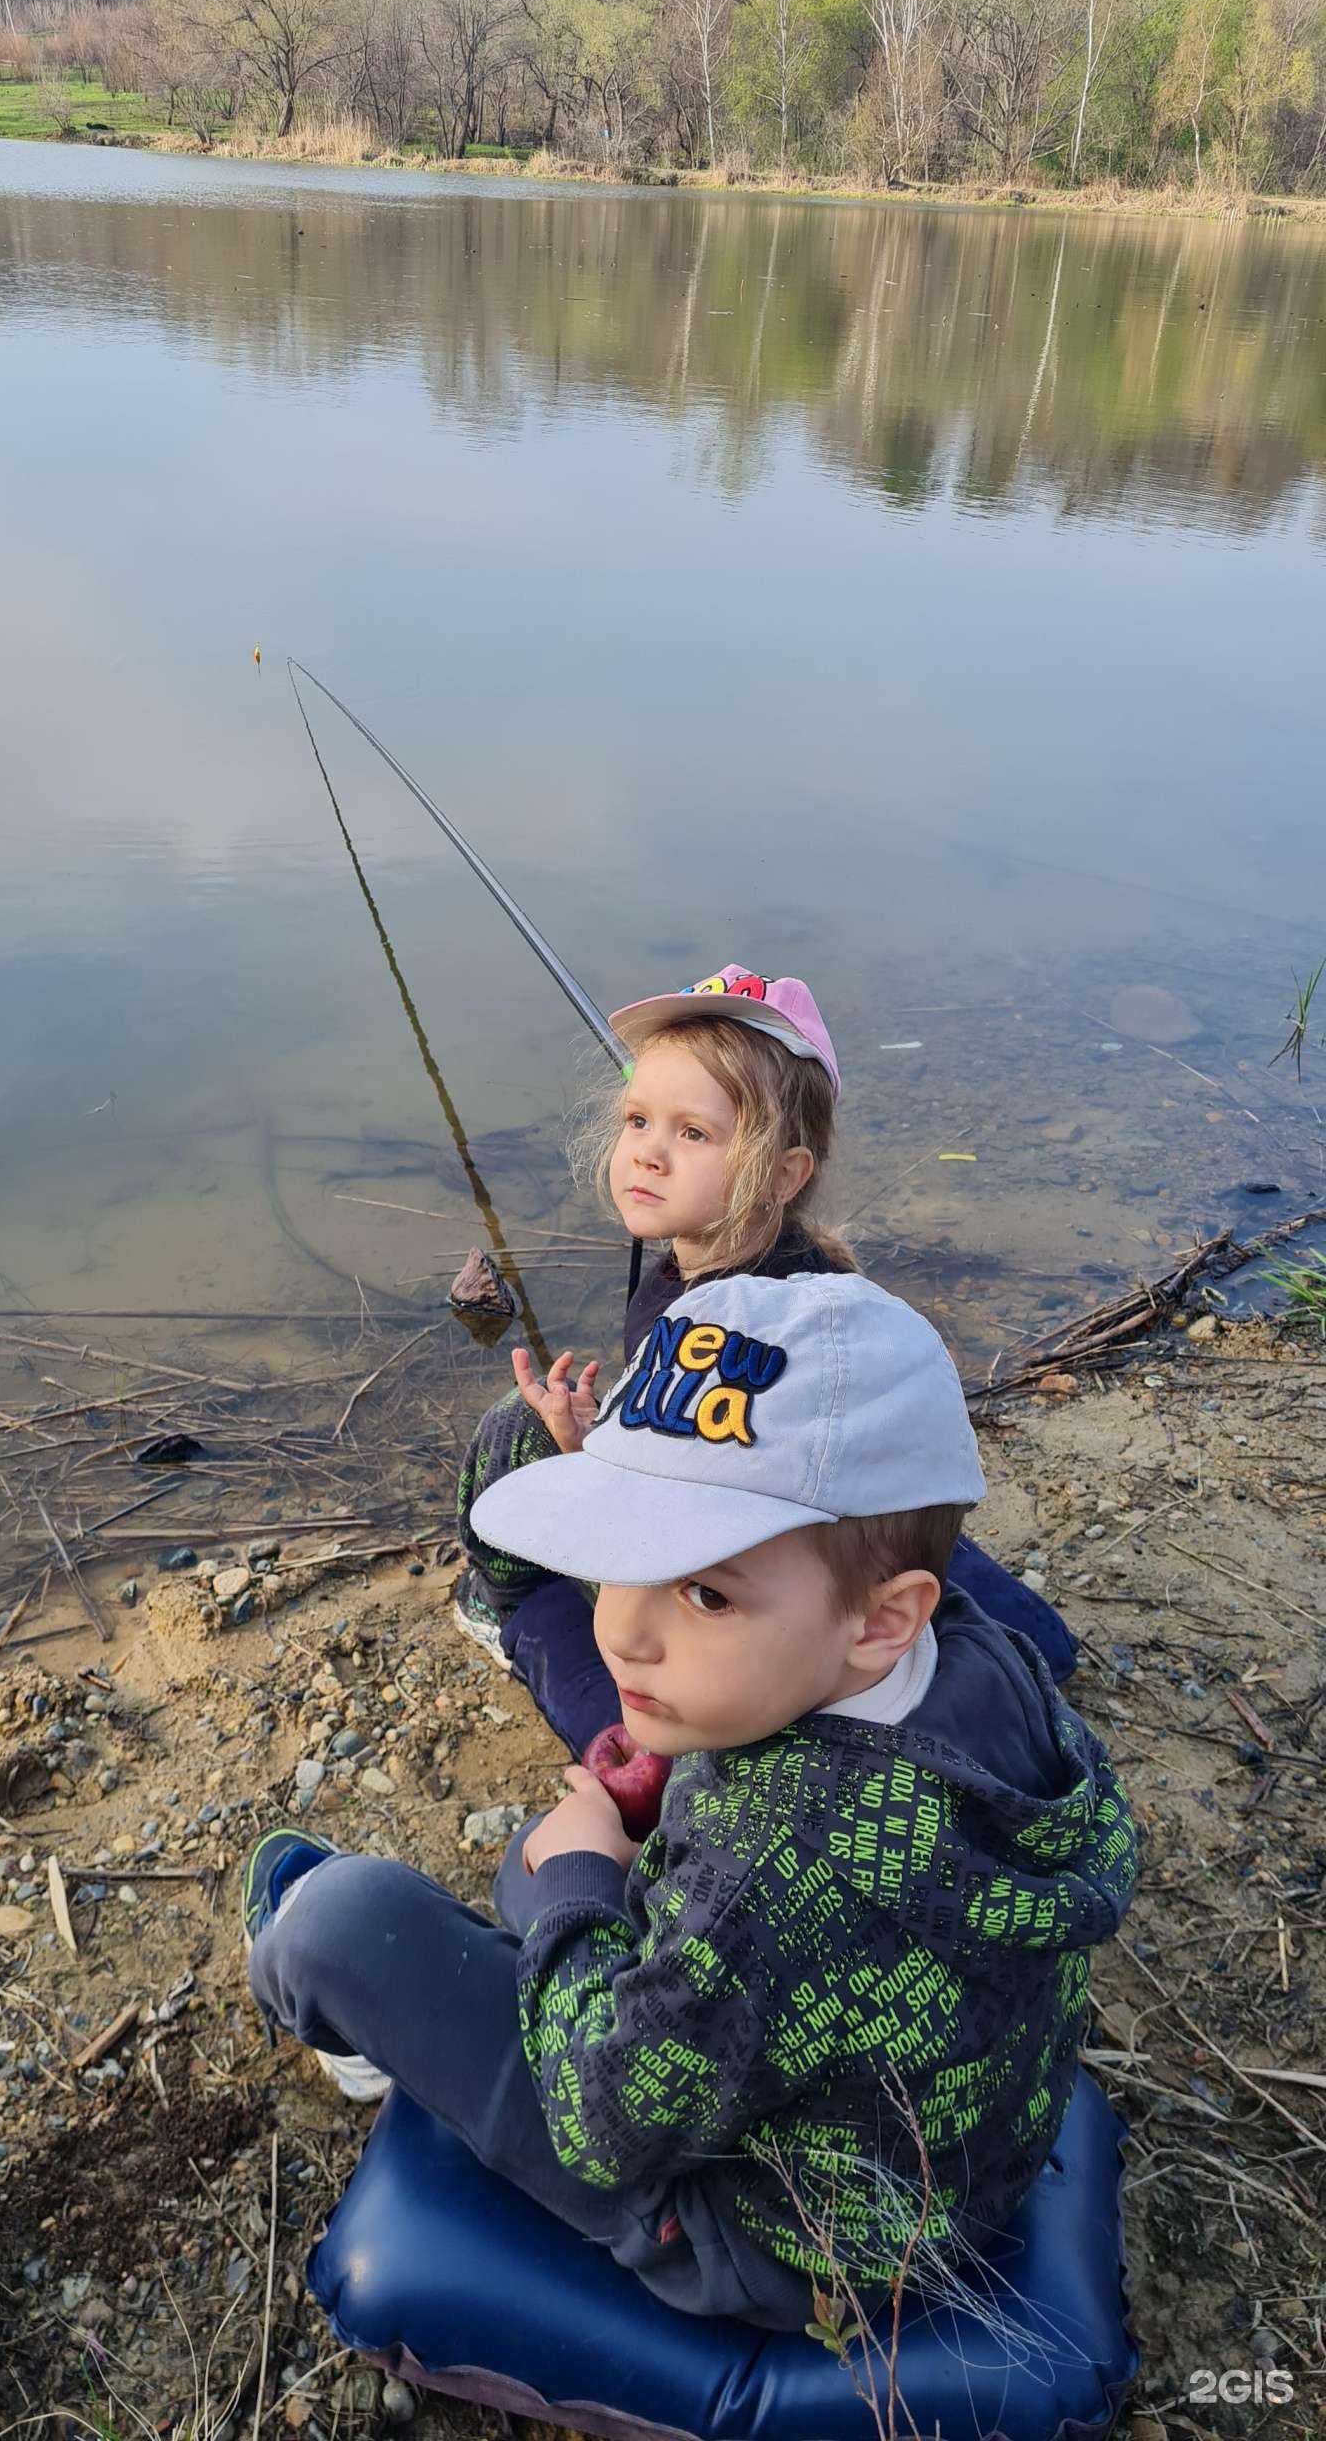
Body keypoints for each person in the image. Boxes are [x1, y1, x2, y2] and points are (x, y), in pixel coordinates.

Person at [245, 1271, 1137, 2326]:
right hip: (954, 2158)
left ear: (882, 1619)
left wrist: (579, 1887)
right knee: (552, 1857)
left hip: (781, 2243)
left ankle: (349, 2035)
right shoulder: (988, 1665)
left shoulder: (768, 1877)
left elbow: (604, 2122)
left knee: (346, 1924)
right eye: (626, 1558)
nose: (618, 1629)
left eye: (705, 1591)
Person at [453, 963, 1075, 1751]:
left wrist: (588, 1451)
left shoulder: (736, 1320)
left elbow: (712, 1508)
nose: (647, 1154)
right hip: (827, 1539)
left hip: (777, 1576)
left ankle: (502, 1603)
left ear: (783, 1173)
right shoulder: (781, 1275)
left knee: (513, 1432)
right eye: (637, 1119)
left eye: (693, 1133)